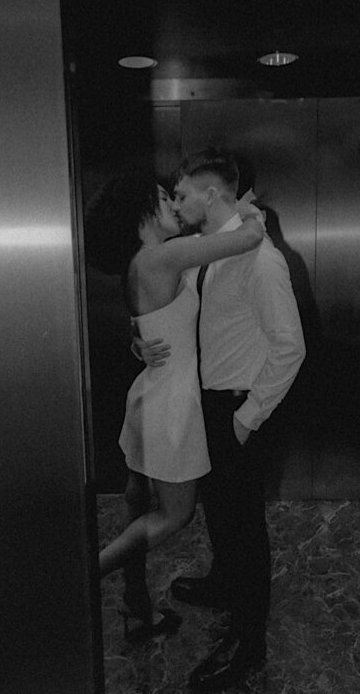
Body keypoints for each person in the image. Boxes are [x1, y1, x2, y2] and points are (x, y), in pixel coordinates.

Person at [140, 149, 305, 691]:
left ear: (212, 195)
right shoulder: (208, 255)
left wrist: (247, 417)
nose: (179, 203)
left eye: (184, 194)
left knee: (244, 527)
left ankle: (248, 641)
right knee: (220, 510)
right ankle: (223, 583)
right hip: (211, 403)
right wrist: (145, 345)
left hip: (241, 408)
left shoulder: (261, 260)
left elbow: (290, 347)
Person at [83, 173, 264, 643]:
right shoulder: (165, 256)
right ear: (140, 213)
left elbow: (149, 320)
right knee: (173, 515)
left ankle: (135, 602)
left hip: (151, 392)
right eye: (164, 198)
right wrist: (243, 205)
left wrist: (136, 342)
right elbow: (248, 238)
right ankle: (80, 579)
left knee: (137, 498)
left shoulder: (141, 264)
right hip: (171, 401)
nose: (174, 205)